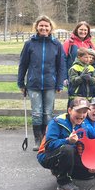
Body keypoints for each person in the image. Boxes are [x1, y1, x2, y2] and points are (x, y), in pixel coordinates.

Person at [37, 97, 95, 190]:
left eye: (84, 112)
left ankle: (63, 171)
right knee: (67, 149)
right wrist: (68, 140)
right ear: (69, 110)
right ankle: (63, 182)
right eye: (79, 111)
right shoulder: (56, 122)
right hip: (47, 155)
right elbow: (49, 145)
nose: (81, 115)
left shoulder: (84, 124)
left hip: (73, 153)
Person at [17, 15, 66, 151]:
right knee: (37, 113)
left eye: (46, 26)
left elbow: (61, 66)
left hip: (50, 84)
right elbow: (23, 64)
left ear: (51, 28)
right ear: (37, 27)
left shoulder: (56, 44)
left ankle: (47, 139)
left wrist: (59, 84)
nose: (44, 28)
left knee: (48, 113)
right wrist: (21, 83)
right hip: (34, 84)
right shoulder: (29, 44)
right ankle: (38, 140)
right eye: (41, 25)